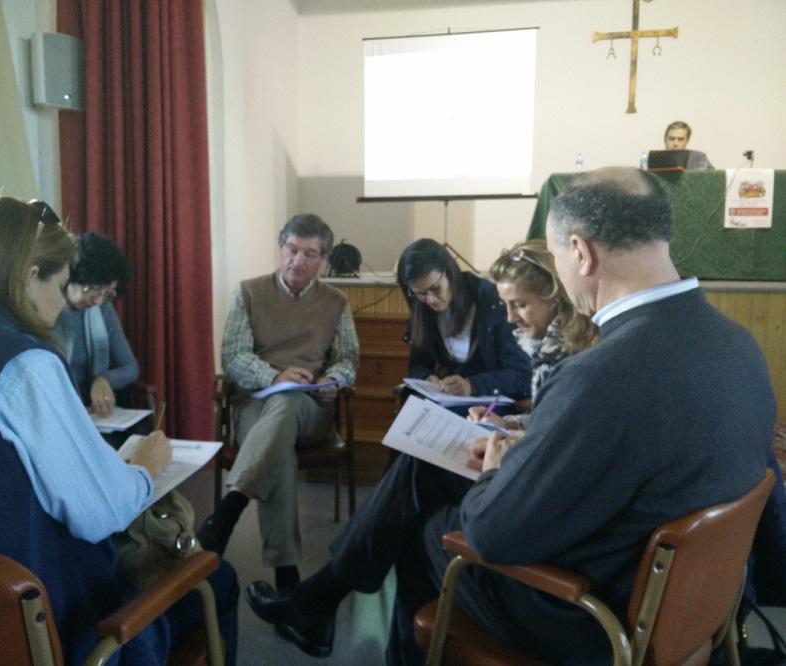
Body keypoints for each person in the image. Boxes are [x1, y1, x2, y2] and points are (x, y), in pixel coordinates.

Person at [244, 167, 775, 664]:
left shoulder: (603, 373)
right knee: (426, 469)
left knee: (424, 532)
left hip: (590, 613)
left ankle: (358, 626)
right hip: (686, 599)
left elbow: (494, 535)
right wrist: (533, 444)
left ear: (581, 253)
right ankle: (315, 603)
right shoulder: (739, 346)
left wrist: (501, 469)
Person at [0, 197, 238, 665]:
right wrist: (144, 471)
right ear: (29, 276)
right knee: (218, 580)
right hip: (38, 629)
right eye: (61, 281)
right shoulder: (23, 365)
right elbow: (102, 513)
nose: (62, 297)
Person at [197, 213, 359, 593]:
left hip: (311, 408)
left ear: (324, 259)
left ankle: (228, 511)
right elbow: (234, 355)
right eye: (292, 250)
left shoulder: (336, 301)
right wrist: (273, 376)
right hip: (255, 402)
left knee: (287, 405)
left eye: (310, 254)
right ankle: (287, 580)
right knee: (279, 453)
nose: (298, 261)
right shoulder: (249, 292)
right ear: (280, 247)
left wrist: (332, 381)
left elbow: (348, 357)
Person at [471, 238, 599, 432]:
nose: (510, 318)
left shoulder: (573, 355)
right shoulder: (544, 348)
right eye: (505, 305)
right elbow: (547, 420)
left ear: (553, 296)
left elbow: (564, 434)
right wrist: (507, 423)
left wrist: (512, 440)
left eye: (520, 305)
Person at [396, 239, 531, 404]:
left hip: (490, 404)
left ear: (450, 273)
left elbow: (522, 374)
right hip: (447, 401)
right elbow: (419, 363)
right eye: (420, 293)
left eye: (435, 288)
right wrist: (427, 378)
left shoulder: (492, 302)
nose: (430, 299)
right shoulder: (422, 309)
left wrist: (471, 385)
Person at [54, 232, 138, 418]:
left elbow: (130, 367)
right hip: (58, 411)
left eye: (107, 292)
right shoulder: (49, 310)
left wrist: (103, 380)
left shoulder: (103, 310)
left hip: (93, 413)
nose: (99, 300)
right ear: (70, 278)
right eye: (93, 290)